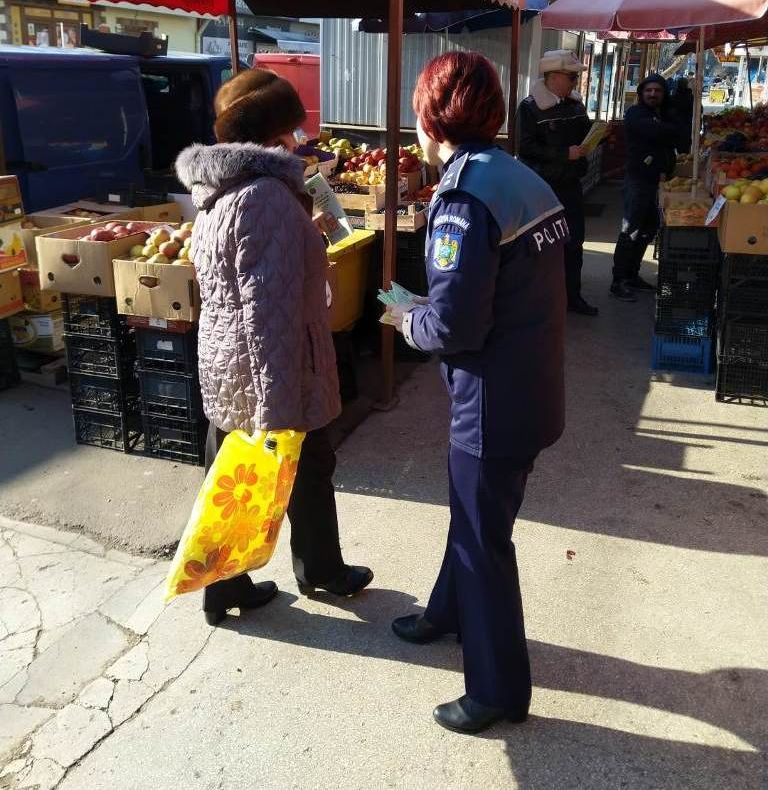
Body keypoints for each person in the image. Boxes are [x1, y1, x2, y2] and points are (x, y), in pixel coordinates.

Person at [388, 52, 567, 735]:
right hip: (530, 385)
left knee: (482, 541)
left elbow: (455, 326)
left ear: (431, 117)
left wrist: (407, 319)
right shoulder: (515, 174)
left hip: (492, 400)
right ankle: (446, 612)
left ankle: (497, 690)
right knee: (475, 520)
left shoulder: (464, 197)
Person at [175, 69, 372, 627]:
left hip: (230, 363)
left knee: (233, 477)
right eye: (292, 130)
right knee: (309, 465)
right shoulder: (266, 197)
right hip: (277, 367)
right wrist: (279, 403)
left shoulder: (222, 190)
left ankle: (227, 584)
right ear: (275, 134)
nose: (300, 141)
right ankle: (319, 571)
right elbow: (270, 307)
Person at [518, 49, 598, 317]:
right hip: (542, 187)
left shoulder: (575, 105)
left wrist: (598, 136)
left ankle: (572, 297)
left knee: (574, 243)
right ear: (553, 77)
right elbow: (524, 147)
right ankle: (541, 300)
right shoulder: (529, 107)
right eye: (572, 77)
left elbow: (584, 135)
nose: (576, 82)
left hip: (571, 184)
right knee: (541, 246)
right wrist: (565, 154)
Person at [611, 74, 679, 302]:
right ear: (641, 93)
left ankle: (632, 275)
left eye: (657, 91)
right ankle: (618, 281)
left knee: (648, 228)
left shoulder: (661, 114)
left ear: (664, 94)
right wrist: (667, 129)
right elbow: (660, 133)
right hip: (638, 180)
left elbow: (678, 133)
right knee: (631, 229)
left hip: (656, 182)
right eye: (648, 90)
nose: (653, 94)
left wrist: (667, 127)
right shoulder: (635, 113)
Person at [670, 77, 695, 154]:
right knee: (685, 148)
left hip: (675, 125)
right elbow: (699, 110)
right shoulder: (691, 97)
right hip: (687, 125)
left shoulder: (673, 97)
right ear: (686, 85)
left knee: (677, 147)